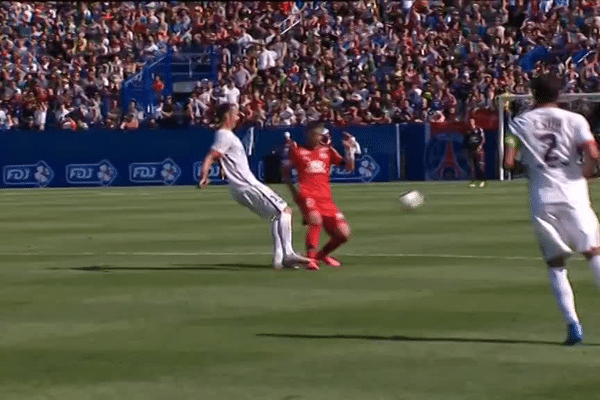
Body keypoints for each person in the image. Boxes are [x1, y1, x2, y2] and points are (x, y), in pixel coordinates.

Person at [504, 73, 600, 345]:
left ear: (533, 93)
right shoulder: (576, 120)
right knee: (593, 253)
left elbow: (508, 162)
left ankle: (573, 325)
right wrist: (586, 173)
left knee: (556, 264)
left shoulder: (519, 123)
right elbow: (593, 154)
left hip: (542, 196)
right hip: (574, 194)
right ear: (560, 93)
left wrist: (530, 168)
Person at [198, 103, 309, 270]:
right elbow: (211, 156)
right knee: (284, 211)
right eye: (235, 114)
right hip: (247, 184)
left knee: (275, 217)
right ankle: (288, 253)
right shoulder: (225, 135)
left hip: (240, 188)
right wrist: (204, 176)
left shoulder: (225, 136)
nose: (238, 117)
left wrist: (223, 168)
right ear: (228, 116)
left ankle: (279, 258)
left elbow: (222, 156)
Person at [283, 124, 359, 270]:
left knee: (344, 234)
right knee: (315, 220)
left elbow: (349, 167)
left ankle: (321, 255)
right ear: (308, 134)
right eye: (313, 134)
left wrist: (350, 150)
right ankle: (311, 260)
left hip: (326, 199)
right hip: (307, 195)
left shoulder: (328, 151)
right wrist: (295, 194)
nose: (316, 137)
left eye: (319, 134)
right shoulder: (297, 150)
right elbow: (285, 174)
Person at [463, 118, 486, 187]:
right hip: (471, 151)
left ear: (474, 122)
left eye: (472, 122)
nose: (471, 124)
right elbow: (465, 142)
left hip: (479, 151)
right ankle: (473, 181)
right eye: (469, 122)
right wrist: (466, 151)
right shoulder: (468, 132)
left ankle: (482, 181)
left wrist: (479, 147)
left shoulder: (479, 130)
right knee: (472, 167)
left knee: (480, 166)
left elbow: (483, 139)